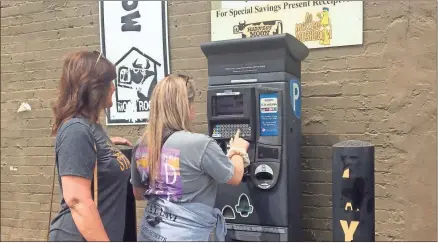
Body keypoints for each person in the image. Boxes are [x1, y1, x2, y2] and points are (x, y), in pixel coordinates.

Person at [130, 74, 250, 241]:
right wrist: (238, 149)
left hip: (151, 234)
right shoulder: (200, 144)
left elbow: (138, 193)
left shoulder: (142, 144)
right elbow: (235, 176)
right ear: (186, 106)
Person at [48, 51, 133, 241]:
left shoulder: (90, 128)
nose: (114, 88)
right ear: (94, 88)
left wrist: (107, 145)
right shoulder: (76, 129)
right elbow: (77, 201)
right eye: (110, 83)